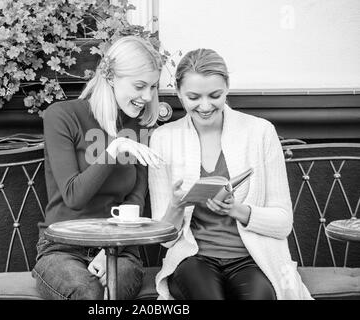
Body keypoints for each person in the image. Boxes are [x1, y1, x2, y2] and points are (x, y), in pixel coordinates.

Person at [149, 48, 313, 300]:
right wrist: (176, 205)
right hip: (193, 258)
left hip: (253, 259)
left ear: (227, 87)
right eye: (193, 97)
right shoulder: (163, 138)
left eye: (215, 95)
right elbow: (165, 239)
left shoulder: (260, 132)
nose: (205, 106)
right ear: (179, 94)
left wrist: (236, 209)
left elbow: (283, 224)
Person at [32, 36, 164, 300]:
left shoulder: (140, 126)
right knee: (87, 293)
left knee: (112, 290)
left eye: (152, 86)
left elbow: (135, 200)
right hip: (62, 248)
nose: (147, 97)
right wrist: (114, 149)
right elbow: (74, 196)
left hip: (121, 249)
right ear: (111, 77)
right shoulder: (63, 115)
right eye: (139, 86)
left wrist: (111, 250)